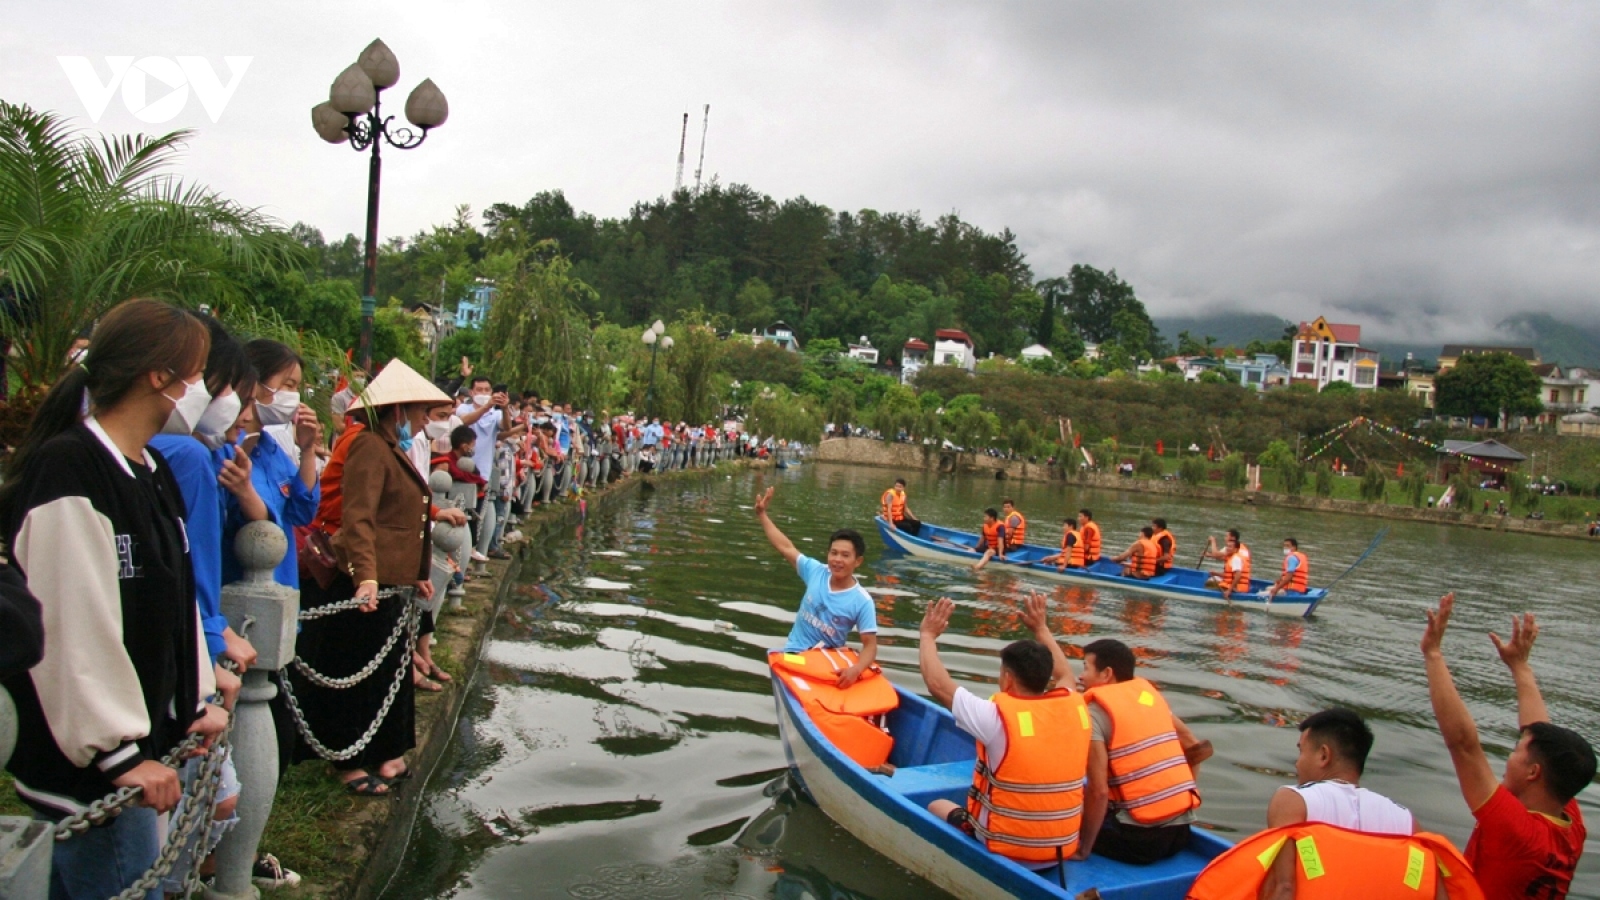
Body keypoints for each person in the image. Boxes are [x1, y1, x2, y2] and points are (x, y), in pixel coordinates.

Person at [0, 299, 227, 898]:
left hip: (138, 760)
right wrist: (118, 754)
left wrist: (192, 698)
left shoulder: (150, 468)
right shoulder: (68, 469)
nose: (206, 390)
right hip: (90, 777)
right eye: (197, 373)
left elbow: (172, 600)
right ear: (158, 376)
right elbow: (69, 625)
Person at [288, 361, 447, 795]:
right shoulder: (368, 447)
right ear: (398, 411)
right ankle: (348, 760)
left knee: (388, 671)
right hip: (362, 580)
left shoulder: (388, 447)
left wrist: (414, 573)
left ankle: (385, 751)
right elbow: (358, 518)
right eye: (420, 413)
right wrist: (367, 576)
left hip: (389, 579)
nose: (423, 422)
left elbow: (402, 517)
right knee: (355, 671)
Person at [1422, 595, 1593, 898]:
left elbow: (1463, 745)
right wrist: (1520, 667)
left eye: (1516, 750)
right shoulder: (1569, 822)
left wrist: (1433, 654)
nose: (1509, 758)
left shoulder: (1516, 830)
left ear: (1533, 772)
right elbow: (1539, 734)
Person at [918, 593, 1090, 868]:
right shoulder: (1073, 703)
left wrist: (927, 635)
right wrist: (1041, 628)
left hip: (1008, 850)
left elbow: (937, 684)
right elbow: (1065, 674)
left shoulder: (994, 717)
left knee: (936, 805)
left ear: (1007, 678)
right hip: (1060, 850)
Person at [1077, 638, 1207, 864]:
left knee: (1064, 810)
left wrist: (1083, 849)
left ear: (1106, 674)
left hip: (1139, 843)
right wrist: (1178, 798)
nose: (1080, 676)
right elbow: (1196, 747)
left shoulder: (1093, 714)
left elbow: (1099, 792)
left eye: (1085, 668)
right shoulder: (1149, 699)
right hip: (1181, 833)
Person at [754, 485, 877, 689]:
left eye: (845, 555)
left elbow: (870, 646)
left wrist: (855, 670)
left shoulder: (862, 601)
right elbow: (785, 547)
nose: (837, 560)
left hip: (826, 663)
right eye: (833, 553)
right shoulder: (816, 571)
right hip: (795, 655)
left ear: (858, 561)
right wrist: (762, 515)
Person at [1266, 708, 1414, 834]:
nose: (1297, 764)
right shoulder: (1406, 820)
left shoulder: (1294, 801)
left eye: (1302, 751)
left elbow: (1282, 861)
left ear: (1324, 755)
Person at [1200, 529, 1251, 600]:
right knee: (1214, 580)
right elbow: (1231, 574)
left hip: (1238, 587)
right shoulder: (1241, 549)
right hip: (1241, 585)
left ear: (1232, 538)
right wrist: (1216, 573)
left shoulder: (1235, 557)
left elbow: (1238, 575)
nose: (1225, 538)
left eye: (1226, 536)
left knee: (1209, 583)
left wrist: (1213, 541)